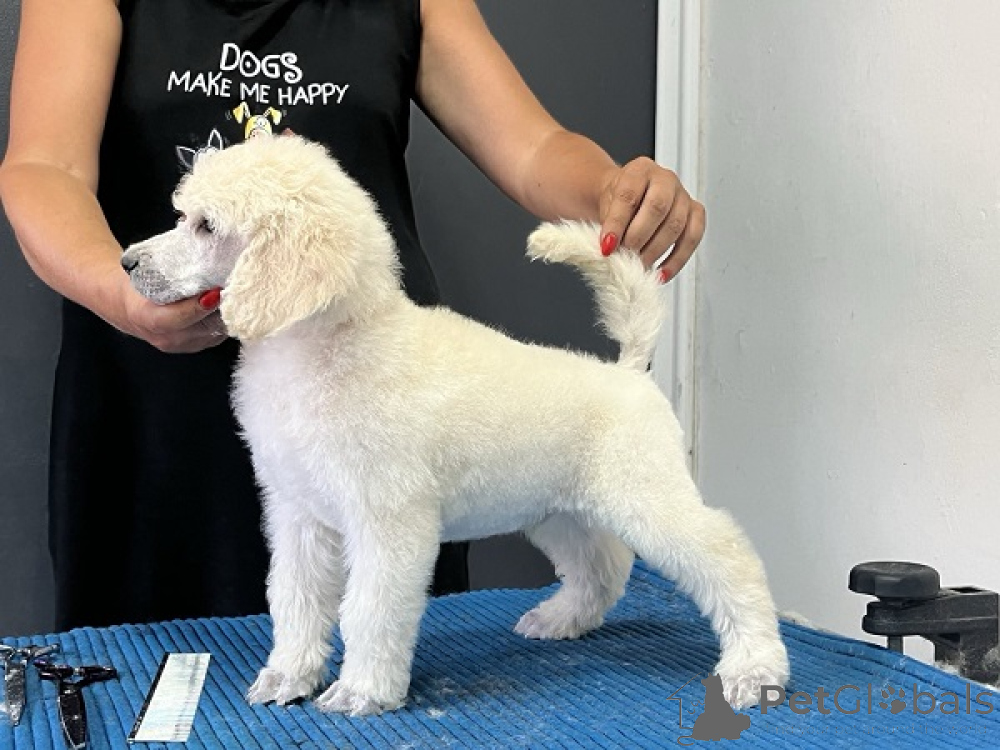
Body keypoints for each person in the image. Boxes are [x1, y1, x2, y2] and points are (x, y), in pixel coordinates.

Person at [0, 0, 705, 631]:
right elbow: (44, 168)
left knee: (385, 663)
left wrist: (615, 192)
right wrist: (120, 293)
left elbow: (534, 149)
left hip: (374, 404)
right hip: (155, 410)